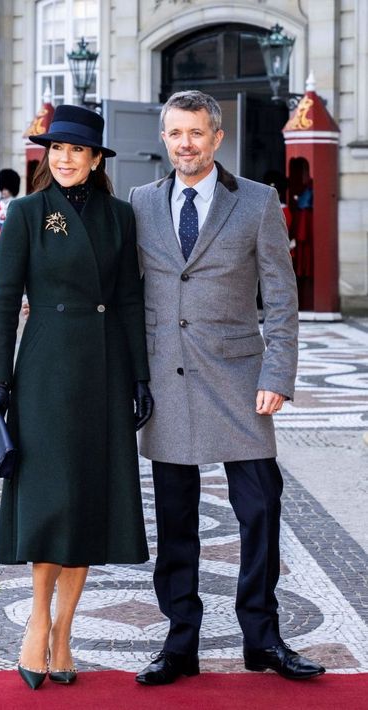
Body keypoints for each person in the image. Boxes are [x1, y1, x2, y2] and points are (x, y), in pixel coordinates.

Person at [130, 90, 325, 685]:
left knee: (261, 507)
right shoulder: (138, 202)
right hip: (167, 379)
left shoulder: (259, 202)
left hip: (241, 380)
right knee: (176, 517)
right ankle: (180, 643)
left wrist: (277, 375)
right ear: (163, 138)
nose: (184, 143)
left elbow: (282, 297)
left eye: (196, 133)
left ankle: (262, 639)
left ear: (217, 138)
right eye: (174, 133)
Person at [0, 104, 153, 690]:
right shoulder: (27, 213)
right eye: (57, 150)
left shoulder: (120, 216)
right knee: (51, 498)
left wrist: (140, 377)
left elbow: (130, 298)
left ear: (97, 158)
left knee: (88, 501)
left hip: (104, 368)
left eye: (77, 150)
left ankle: (64, 632)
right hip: (46, 369)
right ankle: (36, 620)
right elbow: (5, 304)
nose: (65, 159)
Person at [0, 168, 21, 251]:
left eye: (5, 189)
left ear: (11, 190)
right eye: (2, 189)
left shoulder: (16, 203)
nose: (3, 191)